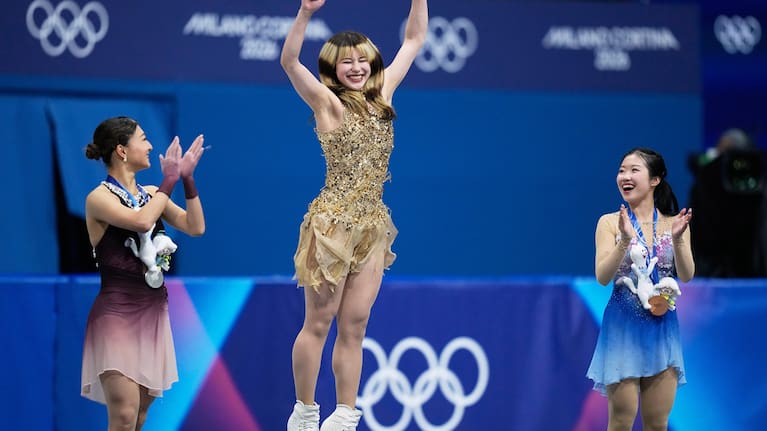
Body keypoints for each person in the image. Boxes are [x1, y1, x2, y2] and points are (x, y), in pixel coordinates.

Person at [280, 0, 427, 430]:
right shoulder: (327, 103)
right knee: (319, 322)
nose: (358, 67)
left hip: (373, 226)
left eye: (364, 60)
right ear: (333, 68)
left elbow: (415, 38)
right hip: (332, 225)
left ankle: (345, 414)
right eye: (348, 62)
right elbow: (289, 60)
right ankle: (306, 411)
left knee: (356, 323)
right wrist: (305, 12)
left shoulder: (383, 97)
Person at [80, 116, 206, 431]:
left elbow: (195, 227)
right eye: (144, 138)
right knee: (123, 415)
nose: (151, 146)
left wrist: (186, 180)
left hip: (152, 313)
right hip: (116, 313)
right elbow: (141, 221)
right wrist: (169, 180)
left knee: (138, 418)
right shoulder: (99, 199)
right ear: (122, 151)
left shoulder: (152, 193)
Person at [587, 148, 695, 431]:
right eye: (622, 170)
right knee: (621, 421)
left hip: (662, 330)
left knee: (657, 423)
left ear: (655, 179)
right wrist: (624, 240)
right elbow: (602, 276)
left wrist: (679, 240)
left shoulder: (675, 224)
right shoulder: (609, 223)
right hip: (622, 329)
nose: (625, 176)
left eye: (634, 170)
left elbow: (686, 275)